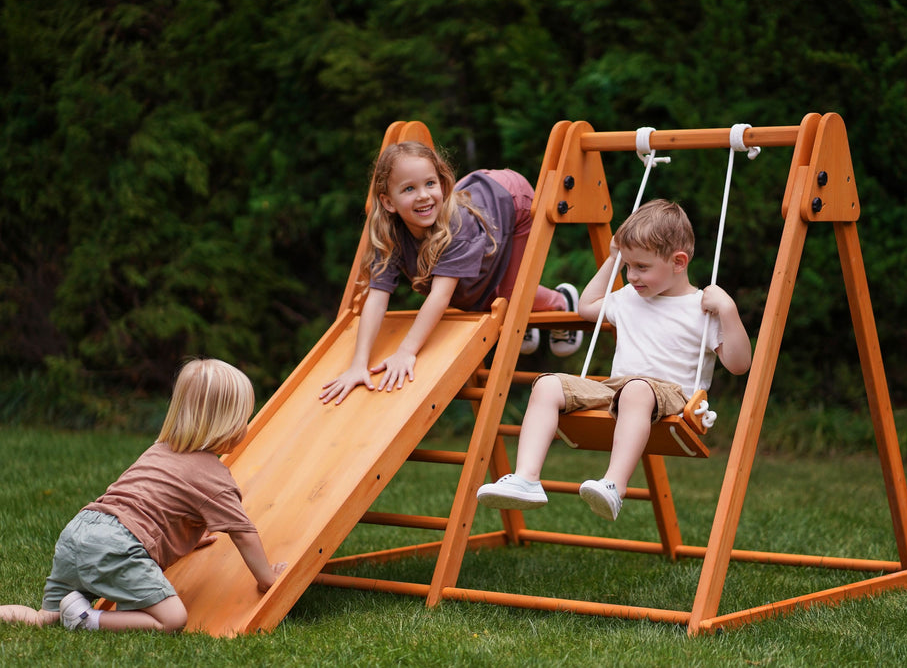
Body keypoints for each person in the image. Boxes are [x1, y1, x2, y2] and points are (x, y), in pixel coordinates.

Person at [477, 199, 752, 520]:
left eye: (642, 267)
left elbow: (738, 364)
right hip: (618, 391)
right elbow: (586, 306)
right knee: (547, 385)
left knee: (636, 390)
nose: (632, 275)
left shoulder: (702, 307)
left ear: (679, 262)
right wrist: (612, 259)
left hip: (674, 397)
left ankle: (614, 485)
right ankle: (526, 478)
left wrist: (728, 310)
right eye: (628, 266)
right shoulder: (628, 298)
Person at [0, 358, 287, 633]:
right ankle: (89, 619)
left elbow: (150, 504)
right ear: (226, 423)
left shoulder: (158, 450)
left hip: (79, 531)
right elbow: (243, 532)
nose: (246, 427)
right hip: (116, 548)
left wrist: (187, 539)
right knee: (172, 619)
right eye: (243, 419)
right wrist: (266, 579)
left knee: (46, 617)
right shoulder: (214, 477)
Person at [320, 141, 581, 405]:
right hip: (481, 195)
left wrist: (406, 351)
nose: (423, 195)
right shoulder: (388, 232)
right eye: (409, 188)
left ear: (441, 184)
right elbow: (376, 297)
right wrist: (358, 364)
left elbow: (440, 296)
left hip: (512, 199)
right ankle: (525, 313)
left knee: (509, 297)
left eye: (430, 184)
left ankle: (561, 302)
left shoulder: (455, 223)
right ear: (388, 202)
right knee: (480, 295)